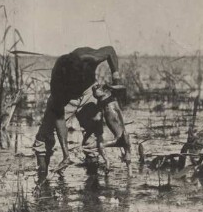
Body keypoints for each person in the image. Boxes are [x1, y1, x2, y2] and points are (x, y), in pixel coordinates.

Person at [32, 46, 130, 174]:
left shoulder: (91, 57)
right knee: (43, 138)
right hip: (66, 97)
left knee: (93, 137)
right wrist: (66, 155)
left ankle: (93, 182)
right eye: (73, 79)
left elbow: (110, 51)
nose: (76, 81)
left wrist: (116, 79)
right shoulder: (58, 78)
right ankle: (42, 177)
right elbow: (59, 118)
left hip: (89, 92)